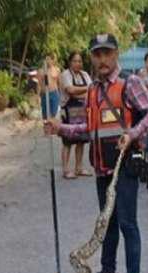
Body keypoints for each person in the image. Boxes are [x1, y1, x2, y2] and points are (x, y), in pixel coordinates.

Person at [47, 33, 148, 273]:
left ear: (116, 54)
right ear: (92, 58)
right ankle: (108, 272)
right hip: (101, 168)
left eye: (107, 53)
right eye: (97, 54)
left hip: (124, 166)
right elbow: (89, 128)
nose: (102, 59)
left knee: (127, 223)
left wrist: (132, 134)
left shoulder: (129, 83)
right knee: (106, 223)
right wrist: (59, 127)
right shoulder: (93, 90)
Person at [58, 51, 93, 179]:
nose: (78, 63)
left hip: (82, 112)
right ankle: (66, 170)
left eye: (79, 61)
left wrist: (80, 92)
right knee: (67, 141)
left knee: (81, 141)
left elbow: (92, 91)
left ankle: (79, 168)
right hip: (68, 112)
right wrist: (86, 89)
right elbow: (70, 90)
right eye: (75, 61)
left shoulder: (84, 74)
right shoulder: (65, 75)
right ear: (70, 62)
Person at [38, 53, 61, 120]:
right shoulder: (41, 71)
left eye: (49, 59)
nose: (48, 61)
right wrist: (38, 97)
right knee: (45, 116)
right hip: (44, 94)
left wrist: (61, 95)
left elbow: (60, 83)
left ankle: (53, 129)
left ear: (52, 60)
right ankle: (47, 129)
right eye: (46, 59)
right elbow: (39, 84)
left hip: (54, 94)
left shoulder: (57, 70)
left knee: (54, 115)